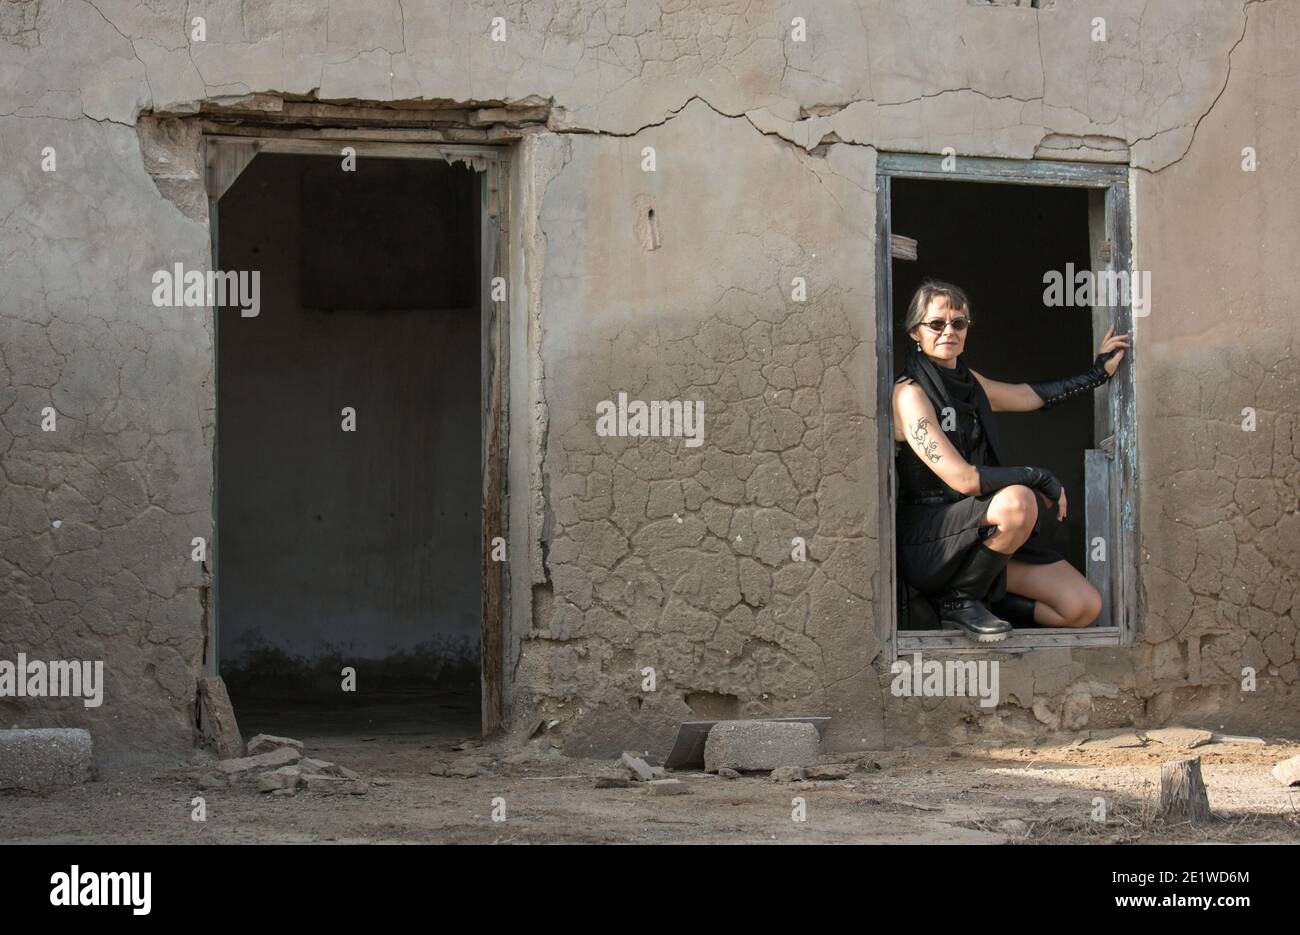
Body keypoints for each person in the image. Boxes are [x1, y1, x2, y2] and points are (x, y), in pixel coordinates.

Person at [892, 280, 1131, 642]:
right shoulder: (909, 393)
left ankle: (975, 602)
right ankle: (960, 600)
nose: (949, 331)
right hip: (932, 540)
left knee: (1081, 607)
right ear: (914, 331)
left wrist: (1096, 375)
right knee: (1019, 501)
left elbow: (1027, 396)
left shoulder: (969, 382)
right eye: (936, 324)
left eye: (959, 323)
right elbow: (964, 480)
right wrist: (1037, 476)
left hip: (978, 535)